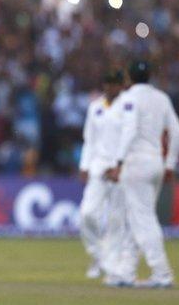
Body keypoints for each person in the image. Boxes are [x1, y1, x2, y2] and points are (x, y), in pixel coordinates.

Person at [105, 61, 179, 288]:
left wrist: (118, 162)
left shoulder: (129, 99)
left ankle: (162, 272)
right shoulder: (162, 98)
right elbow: (177, 132)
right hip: (155, 162)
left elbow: (129, 132)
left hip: (135, 163)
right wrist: (169, 164)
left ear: (129, 78)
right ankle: (126, 272)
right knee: (136, 217)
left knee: (143, 218)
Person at [78, 71, 126, 281]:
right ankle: (98, 256)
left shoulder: (128, 106)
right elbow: (89, 139)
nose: (109, 88)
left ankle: (111, 264)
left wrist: (121, 166)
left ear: (120, 86)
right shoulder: (95, 106)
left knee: (116, 220)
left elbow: (130, 138)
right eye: (107, 84)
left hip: (120, 171)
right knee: (87, 214)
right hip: (98, 167)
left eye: (113, 84)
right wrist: (84, 165)